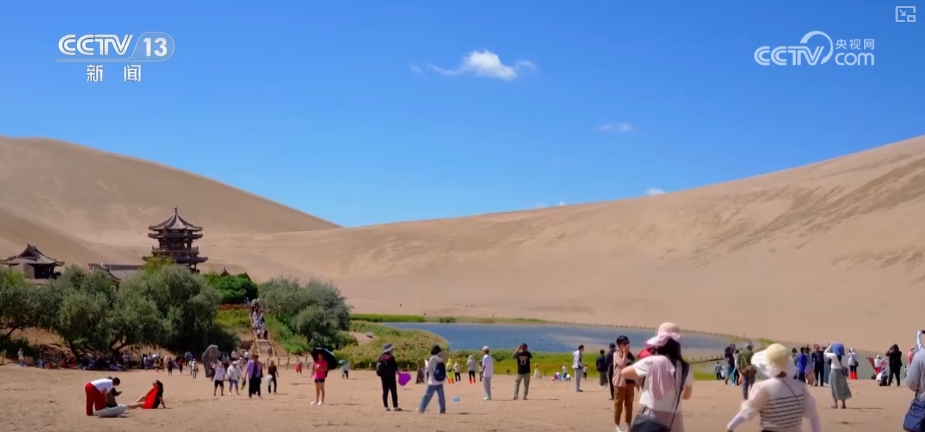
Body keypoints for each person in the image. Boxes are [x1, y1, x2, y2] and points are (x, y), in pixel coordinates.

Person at [726, 343, 820, 432]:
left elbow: (747, 411)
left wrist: (731, 426)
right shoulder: (800, 386)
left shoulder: (763, 387)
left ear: (768, 364)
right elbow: (812, 415)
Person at [620, 323, 692, 432]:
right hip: (674, 419)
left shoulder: (651, 361)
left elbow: (624, 372)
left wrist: (641, 378)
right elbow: (687, 396)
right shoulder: (685, 366)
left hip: (651, 416)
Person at [612, 335, 636, 432]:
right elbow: (622, 365)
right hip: (620, 383)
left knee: (629, 405)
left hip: (630, 383)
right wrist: (624, 353)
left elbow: (633, 368)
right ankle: (617, 425)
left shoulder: (630, 354)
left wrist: (636, 381)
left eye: (627, 343)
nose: (626, 345)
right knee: (618, 405)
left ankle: (628, 424)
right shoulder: (616, 354)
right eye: (624, 343)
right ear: (619, 344)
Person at [417, 344, 447, 414]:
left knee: (427, 395)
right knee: (441, 396)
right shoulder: (441, 358)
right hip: (440, 380)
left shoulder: (433, 358)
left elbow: (429, 368)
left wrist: (426, 362)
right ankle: (442, 409)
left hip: (433, 380)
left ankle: (421, 408)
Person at [824, 343, 852, 409]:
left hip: (834, 372)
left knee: (834, 388)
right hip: (842, 373)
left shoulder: (833, 355)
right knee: (842, 387)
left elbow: (825, 353)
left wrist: (829, 347)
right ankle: (843, 404)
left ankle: (835, 404)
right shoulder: (845, 356)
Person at [377, 343, 402, 411]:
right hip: (391, 377)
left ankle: (386, 406)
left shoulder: (380, 357)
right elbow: (395, 367)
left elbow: (378, 367)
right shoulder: (391, 357)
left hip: (384, 377)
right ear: (390, 349)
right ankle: (395, 406)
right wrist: (399, 373)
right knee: (393, 392)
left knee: (385, 392)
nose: (392, 350)